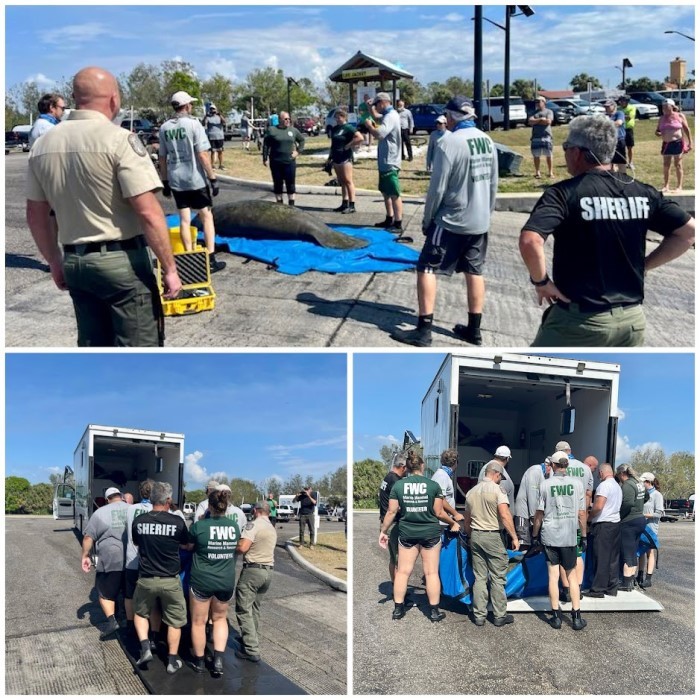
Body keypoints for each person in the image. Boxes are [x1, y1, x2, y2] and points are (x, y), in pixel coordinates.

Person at [26, 66, 182, 347]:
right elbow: (148, 212)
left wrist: (54, 261)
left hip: (76, 262)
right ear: (114, 99)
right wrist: (169, 268)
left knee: (93, 347)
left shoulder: (43, 145)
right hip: (122, 262)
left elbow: (36, 215)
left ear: (75, 98)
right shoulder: (120, 140)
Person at [519, 115, 694, 347]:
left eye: (566, 147)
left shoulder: (563, 193)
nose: (566, 153)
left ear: (578, 153)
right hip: (631, 322)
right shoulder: (642, 191)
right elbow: (688, 232)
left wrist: (541, 282)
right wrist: (644, 264)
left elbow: (530, 241)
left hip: (579, 320)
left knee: (534, 373)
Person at [391, 96, 498, 348]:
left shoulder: (449, 143)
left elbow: (436, 189)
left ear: (451, 117)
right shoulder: (488, 141)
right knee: (474, 270)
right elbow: (493, 184)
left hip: (451, 220)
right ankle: (474, 329)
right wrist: (486, 213)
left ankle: (424, 330)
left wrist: (428, 220)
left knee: (426, 268)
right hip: (479, 220)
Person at [379, 454, 459, 622]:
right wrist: (452, 522)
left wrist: (383, 531)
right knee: (431, 573)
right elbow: (439, 513)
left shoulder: (399, 486)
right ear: (422, 466)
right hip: (430, 534)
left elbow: (392, 512)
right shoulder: (433, 485)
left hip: (407, 533)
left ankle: (398, 609)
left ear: (407, 468)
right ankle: (434, 612)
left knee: (402, 571)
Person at [159, 91, 226, 273]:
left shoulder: (165, 128)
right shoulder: (194, 125)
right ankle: (210, 258)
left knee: (184, 219)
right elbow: (203, 154)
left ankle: (189, 258)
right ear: (187, 105)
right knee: (206, 216)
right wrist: (212, 178)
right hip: (195, 178)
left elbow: (162, 158)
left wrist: (165, 182)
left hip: (176, 179)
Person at [131, 481, 189, 674]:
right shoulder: (178, 522)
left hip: (146, 578)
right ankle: (172, 662)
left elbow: (137, 543)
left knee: (140, 613)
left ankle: (146, 647)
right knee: (174, 622)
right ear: (168, 500)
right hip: (171, 580)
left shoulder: (139, 521)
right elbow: (186, 545)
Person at [187, 487, 240, 676]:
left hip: (202, 580)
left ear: (209, 506)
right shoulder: (234, 527)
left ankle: (200, 662)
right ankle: (218, 661)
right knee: (219, 619)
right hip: (225, 580)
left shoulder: (199, 526)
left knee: (198, 622)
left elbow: (188, 545)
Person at [532, 451, 587, 630]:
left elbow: (539, 514)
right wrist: (584, 535)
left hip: (550, 535)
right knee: (572, 576)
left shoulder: (545, 485)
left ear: (554, 465)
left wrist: (534, 534)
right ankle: (576, 617)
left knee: (553, 576)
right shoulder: (577, 484)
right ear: (567, 465)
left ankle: (555, 616)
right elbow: (581, 513)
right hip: (570, 535)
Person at [464, 461, 520, 627]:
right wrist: (514, 537)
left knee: (479, 577)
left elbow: (467, 520)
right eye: (500, 477)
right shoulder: (498, 490)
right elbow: (504, 514)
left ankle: (479, 616)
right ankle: (499, 615)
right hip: (492, 536)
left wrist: (469, 536)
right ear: (497, 474)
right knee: (497, 577)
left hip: (476, 536)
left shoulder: (471, 492)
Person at [80, 486, 129, 640]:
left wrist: (85, 555)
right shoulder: (132, 509)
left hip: (110, 557)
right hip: (132, 559)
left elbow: (89, 537)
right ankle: (130, 622)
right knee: (129, 593)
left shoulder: (100, 512)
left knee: (105, 593)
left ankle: (112, 621)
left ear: (107, 499)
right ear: (121, 496)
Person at [235, 501, 277, 663]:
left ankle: (251, 649)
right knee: (254, 608)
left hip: (253, 571)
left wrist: (233, 546)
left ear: (255, 510)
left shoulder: (253, 525)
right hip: (268, 572)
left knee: (243, 608)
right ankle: (251, 637)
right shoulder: (271, 527)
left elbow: (243, 547)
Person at [364, 92, 403, 234]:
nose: (376, 107)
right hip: (385, 160)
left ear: (382, 103)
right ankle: (389, 218)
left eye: (376, 105)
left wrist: (369, 127)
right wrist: (370, 108)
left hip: (390, 160)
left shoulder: (391, 116)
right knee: (385, 192)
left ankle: (398, 223)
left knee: (393, 193)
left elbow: (379, 134)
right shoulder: (388, 115)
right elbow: (376, 116)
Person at [125, 480, 156, 643]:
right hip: (150, 561)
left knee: (129, 595)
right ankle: (150, 629)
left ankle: (130, 625)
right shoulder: (156, 510)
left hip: (131, 559)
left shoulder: (130, 510)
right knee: (148, 597)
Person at [586, 463, 622, 597]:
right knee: (613, 557)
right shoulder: (617, 486)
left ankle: (598, 589)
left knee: (601, 557)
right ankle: (612, 588)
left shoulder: (603, 486)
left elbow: (599, 506)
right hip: (615, 524)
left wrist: (589, 518)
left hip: (603, 525)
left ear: (601, 473)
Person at [615, 463, 648, 591]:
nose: (618, 478)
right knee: (633, 550)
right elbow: (646, 497)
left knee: (627, 551)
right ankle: (630, 580)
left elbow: (627, 503)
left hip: (629, 521)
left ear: (622, 473)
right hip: (640, 519)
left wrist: (620, 516)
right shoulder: (639, 483)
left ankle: (626, 582)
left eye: (618, 475)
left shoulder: (628, 485)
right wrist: (639, 505)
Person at [262, 111, 305, 206]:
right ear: (280, 119)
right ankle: (280, 204)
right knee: (278, 183)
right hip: (276, 161)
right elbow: (266, 145)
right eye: (285, 119)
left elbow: (302, 140)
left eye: (289, 119)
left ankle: (292, 204)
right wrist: (265, 158)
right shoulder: (272, 130)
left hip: (289, 162)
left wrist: (298, 151)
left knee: (290, 183)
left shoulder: (293, 130)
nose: (288, 120)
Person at [378, 453, 408, 586]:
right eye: (407, 467)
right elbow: (396, 507)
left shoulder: (387, 477)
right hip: (393, 523)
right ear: (402, 466)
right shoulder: (396, 481)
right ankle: (398, 591)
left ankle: (396, 586)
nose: (407, 470)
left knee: (393, 559)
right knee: (398, 560)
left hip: (386, 522)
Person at [329, 109, 364, 214]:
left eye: (339, 117)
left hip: (345, 157)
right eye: (336, 117)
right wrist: (330, 157)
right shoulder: (335, 129)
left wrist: (349, 145)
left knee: (348, 181)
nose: (337, 119)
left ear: (344, 117)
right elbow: (333, 144)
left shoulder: (348, 128)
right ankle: (344, 203)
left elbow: (360, 137)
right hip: (336, 157)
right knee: (342, 181)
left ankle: (352, 204)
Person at [513, 456, 552, 547]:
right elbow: (532, 498)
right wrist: (535, 521)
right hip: (524, 514)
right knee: (524, 544)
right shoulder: (535, 471)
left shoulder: (544, 474)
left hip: (535, 516)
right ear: (548, 466)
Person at [656, 99, 693, 192]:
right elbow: (658, 130)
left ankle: (679, 186)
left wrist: (690, 142)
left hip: (677, 142)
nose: (664, 108)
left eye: (666, 106)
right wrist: (657, 133)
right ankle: (666, 185)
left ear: (672, 106)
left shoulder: (679, 116)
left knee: (678, 164)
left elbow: (687, 129)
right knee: (666, 164)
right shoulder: (662, 118)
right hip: (666, 143)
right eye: (663, 106)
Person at [637, 472, 663, 588]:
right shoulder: (642, 494)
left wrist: (645, 516)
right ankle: (640, 574)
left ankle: (648, 577)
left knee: (650, 552)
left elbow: (659, 513)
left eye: (644, 482)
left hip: (651, 528)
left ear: (649, 482)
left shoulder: (657, 495)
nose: (642, 484)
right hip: (641, 526)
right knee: (640, 551)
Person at [431, 449, 466, 526]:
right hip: (441, 523)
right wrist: (455, 513)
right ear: (455, 463)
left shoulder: (443, 475)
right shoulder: (442, 476)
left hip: (445, 521)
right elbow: (441, 499)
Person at [478, 446, 515, 511]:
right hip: (497, 516)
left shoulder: (486, 468)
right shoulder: (498, 472)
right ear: (507, 459)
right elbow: (499, 497)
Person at [528, 96, 554, 178]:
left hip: (546, 136)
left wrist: (537, 121)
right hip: (536, 136)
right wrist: (541, 120)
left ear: (544, 102)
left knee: (549, 154)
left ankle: (550, 172)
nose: (537, 104)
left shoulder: (549, 111)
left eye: (539, 102)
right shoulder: (533, 112)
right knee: (536, 155)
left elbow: (548, 122)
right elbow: (530, 121)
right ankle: (537, 172)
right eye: (536, 102)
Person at [602, 98, 627, 174]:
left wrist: (606, 125)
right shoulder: (605, 116)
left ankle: (623, 175)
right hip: (608, 141)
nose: (606, 108)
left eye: (608, 106)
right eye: (605, 106)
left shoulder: (619, 113)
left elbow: (619, 123)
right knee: (609, 161)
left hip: (619, 140)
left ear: (614, 106)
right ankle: (612, 175)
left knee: (620, 160)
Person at [202, 103, 227, 170]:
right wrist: (205, 116)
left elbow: (224, 122)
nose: (212, 110)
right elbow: (203, 123)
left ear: (216, 109)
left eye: (213, 109)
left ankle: (221, 165)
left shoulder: (219, 117)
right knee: (213, 151)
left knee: (220, 151)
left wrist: (220, 115)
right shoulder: (208, 117)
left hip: (220, 136)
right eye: (211, 109)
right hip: (212, 136)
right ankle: (212, 165)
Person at [617, 95, 636, 170]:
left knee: (629, 147)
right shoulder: (618, 109)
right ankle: (621, 162)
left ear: (627, 101)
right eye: (620, 101)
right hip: (620, 130)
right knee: (620, 147)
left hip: (628, 129)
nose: (621, 102)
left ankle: (630, 162)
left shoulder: (632, 107)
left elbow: (629, 117)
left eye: (623, 101)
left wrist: (620, 117)